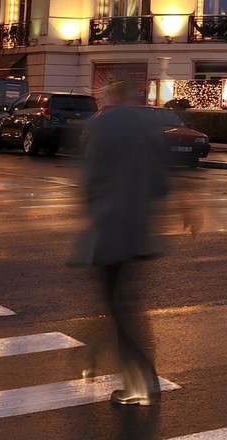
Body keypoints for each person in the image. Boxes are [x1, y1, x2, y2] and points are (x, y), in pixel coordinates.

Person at [72, 78, 169, 406]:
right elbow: (160, 182)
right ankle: (92, 359)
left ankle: (140, 380)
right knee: (119, 301)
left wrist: (86, 211)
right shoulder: (147, 123)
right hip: (137, 227)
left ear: (110, 96)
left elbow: (92, 176)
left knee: (118, 305)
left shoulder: (103, 124)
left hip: (109, 226)